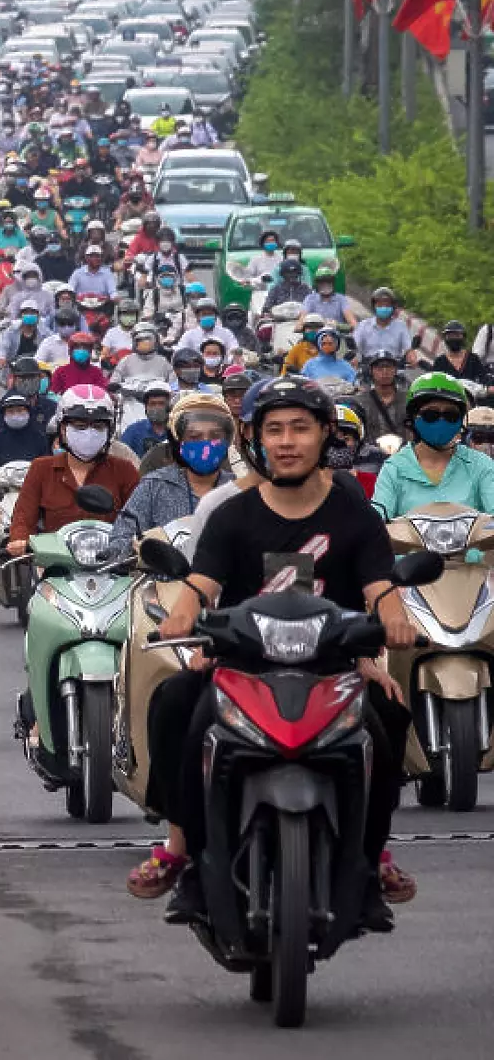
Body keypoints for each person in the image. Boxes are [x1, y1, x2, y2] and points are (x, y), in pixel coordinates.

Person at [148, 377, 419, 924]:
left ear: (325, 435)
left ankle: (367, 864)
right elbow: (202, 582)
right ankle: (194, 862)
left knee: (389, 716)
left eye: (300, 428)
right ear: (255, 439)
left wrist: (394, 615)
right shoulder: (232, 514)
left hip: (334, 665)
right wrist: (183, 615)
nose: (287, 441)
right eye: (275, 430)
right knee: (176, 703)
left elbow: (378, 585)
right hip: (241, 664)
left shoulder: (354, 513)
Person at [4, 385, 140, 557]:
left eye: (98, 426)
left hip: (113, 567)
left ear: (109, 431)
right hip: (56, 567)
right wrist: (20, 540)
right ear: (62, 429)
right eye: (79, 425)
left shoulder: (124, 470)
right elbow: (23, 517)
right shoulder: (41, 469)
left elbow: (140, 519)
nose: (89, 433)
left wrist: (140, 543)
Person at [107, 393, 236, 563]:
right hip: (162, 586)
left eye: (214, 436)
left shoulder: (239, 489)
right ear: (177, 441)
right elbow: (122, 536)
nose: (205, 444)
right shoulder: (154, 485)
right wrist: (132, 550)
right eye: (194, 437)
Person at [370, 371, 494, 516]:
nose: (441, 421)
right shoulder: (394, 468)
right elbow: (379, 519)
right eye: (431, 415)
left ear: (461, 421)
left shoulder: (481, 465)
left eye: (450, 415)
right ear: (413, 418)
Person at [429, 319, 487, 383]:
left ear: (463, 337)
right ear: (445, 338)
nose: (453, 338)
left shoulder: (473, 359)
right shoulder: (440, 361)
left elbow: (483, 378)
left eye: (457, 335)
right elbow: (433, 380)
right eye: (450, 336)